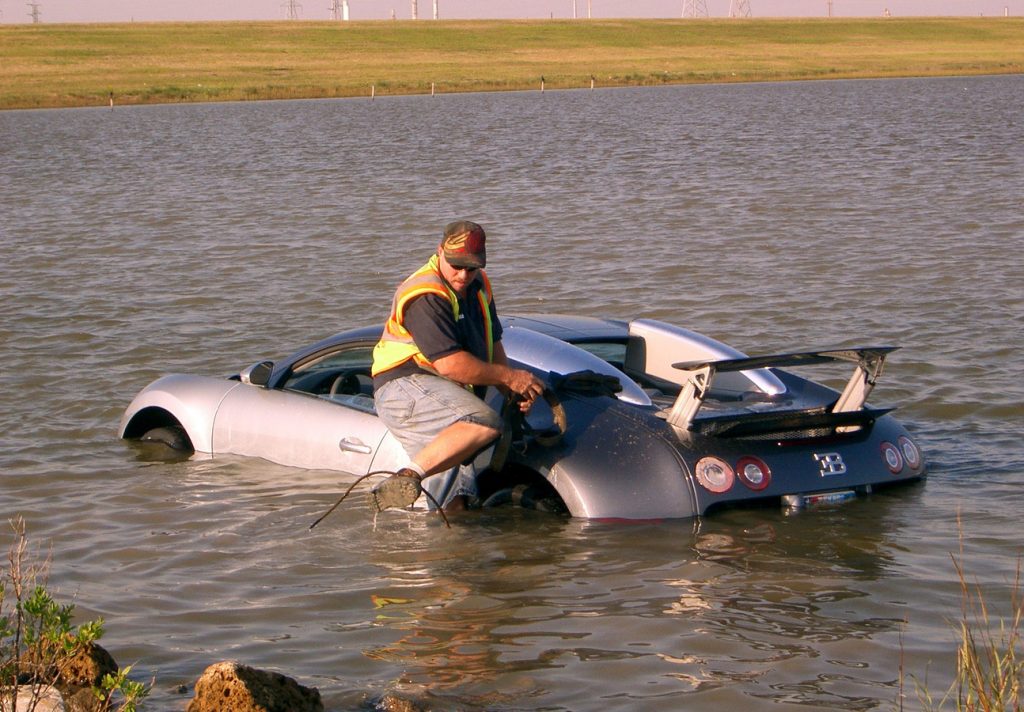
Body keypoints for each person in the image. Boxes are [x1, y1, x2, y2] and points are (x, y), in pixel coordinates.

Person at [370, 220, 545, 513]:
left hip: (442, 392)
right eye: (456, 265)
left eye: (471, 267)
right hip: (403, 386)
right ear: (439, 252)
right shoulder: (425, 293)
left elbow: (494, 344)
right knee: (485, 421)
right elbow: (450, 364)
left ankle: (446, 548)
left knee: (456, 504)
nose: (463, 275)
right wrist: (509, 376)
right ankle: (407, 477)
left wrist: (510, 389)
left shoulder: (480, 286)